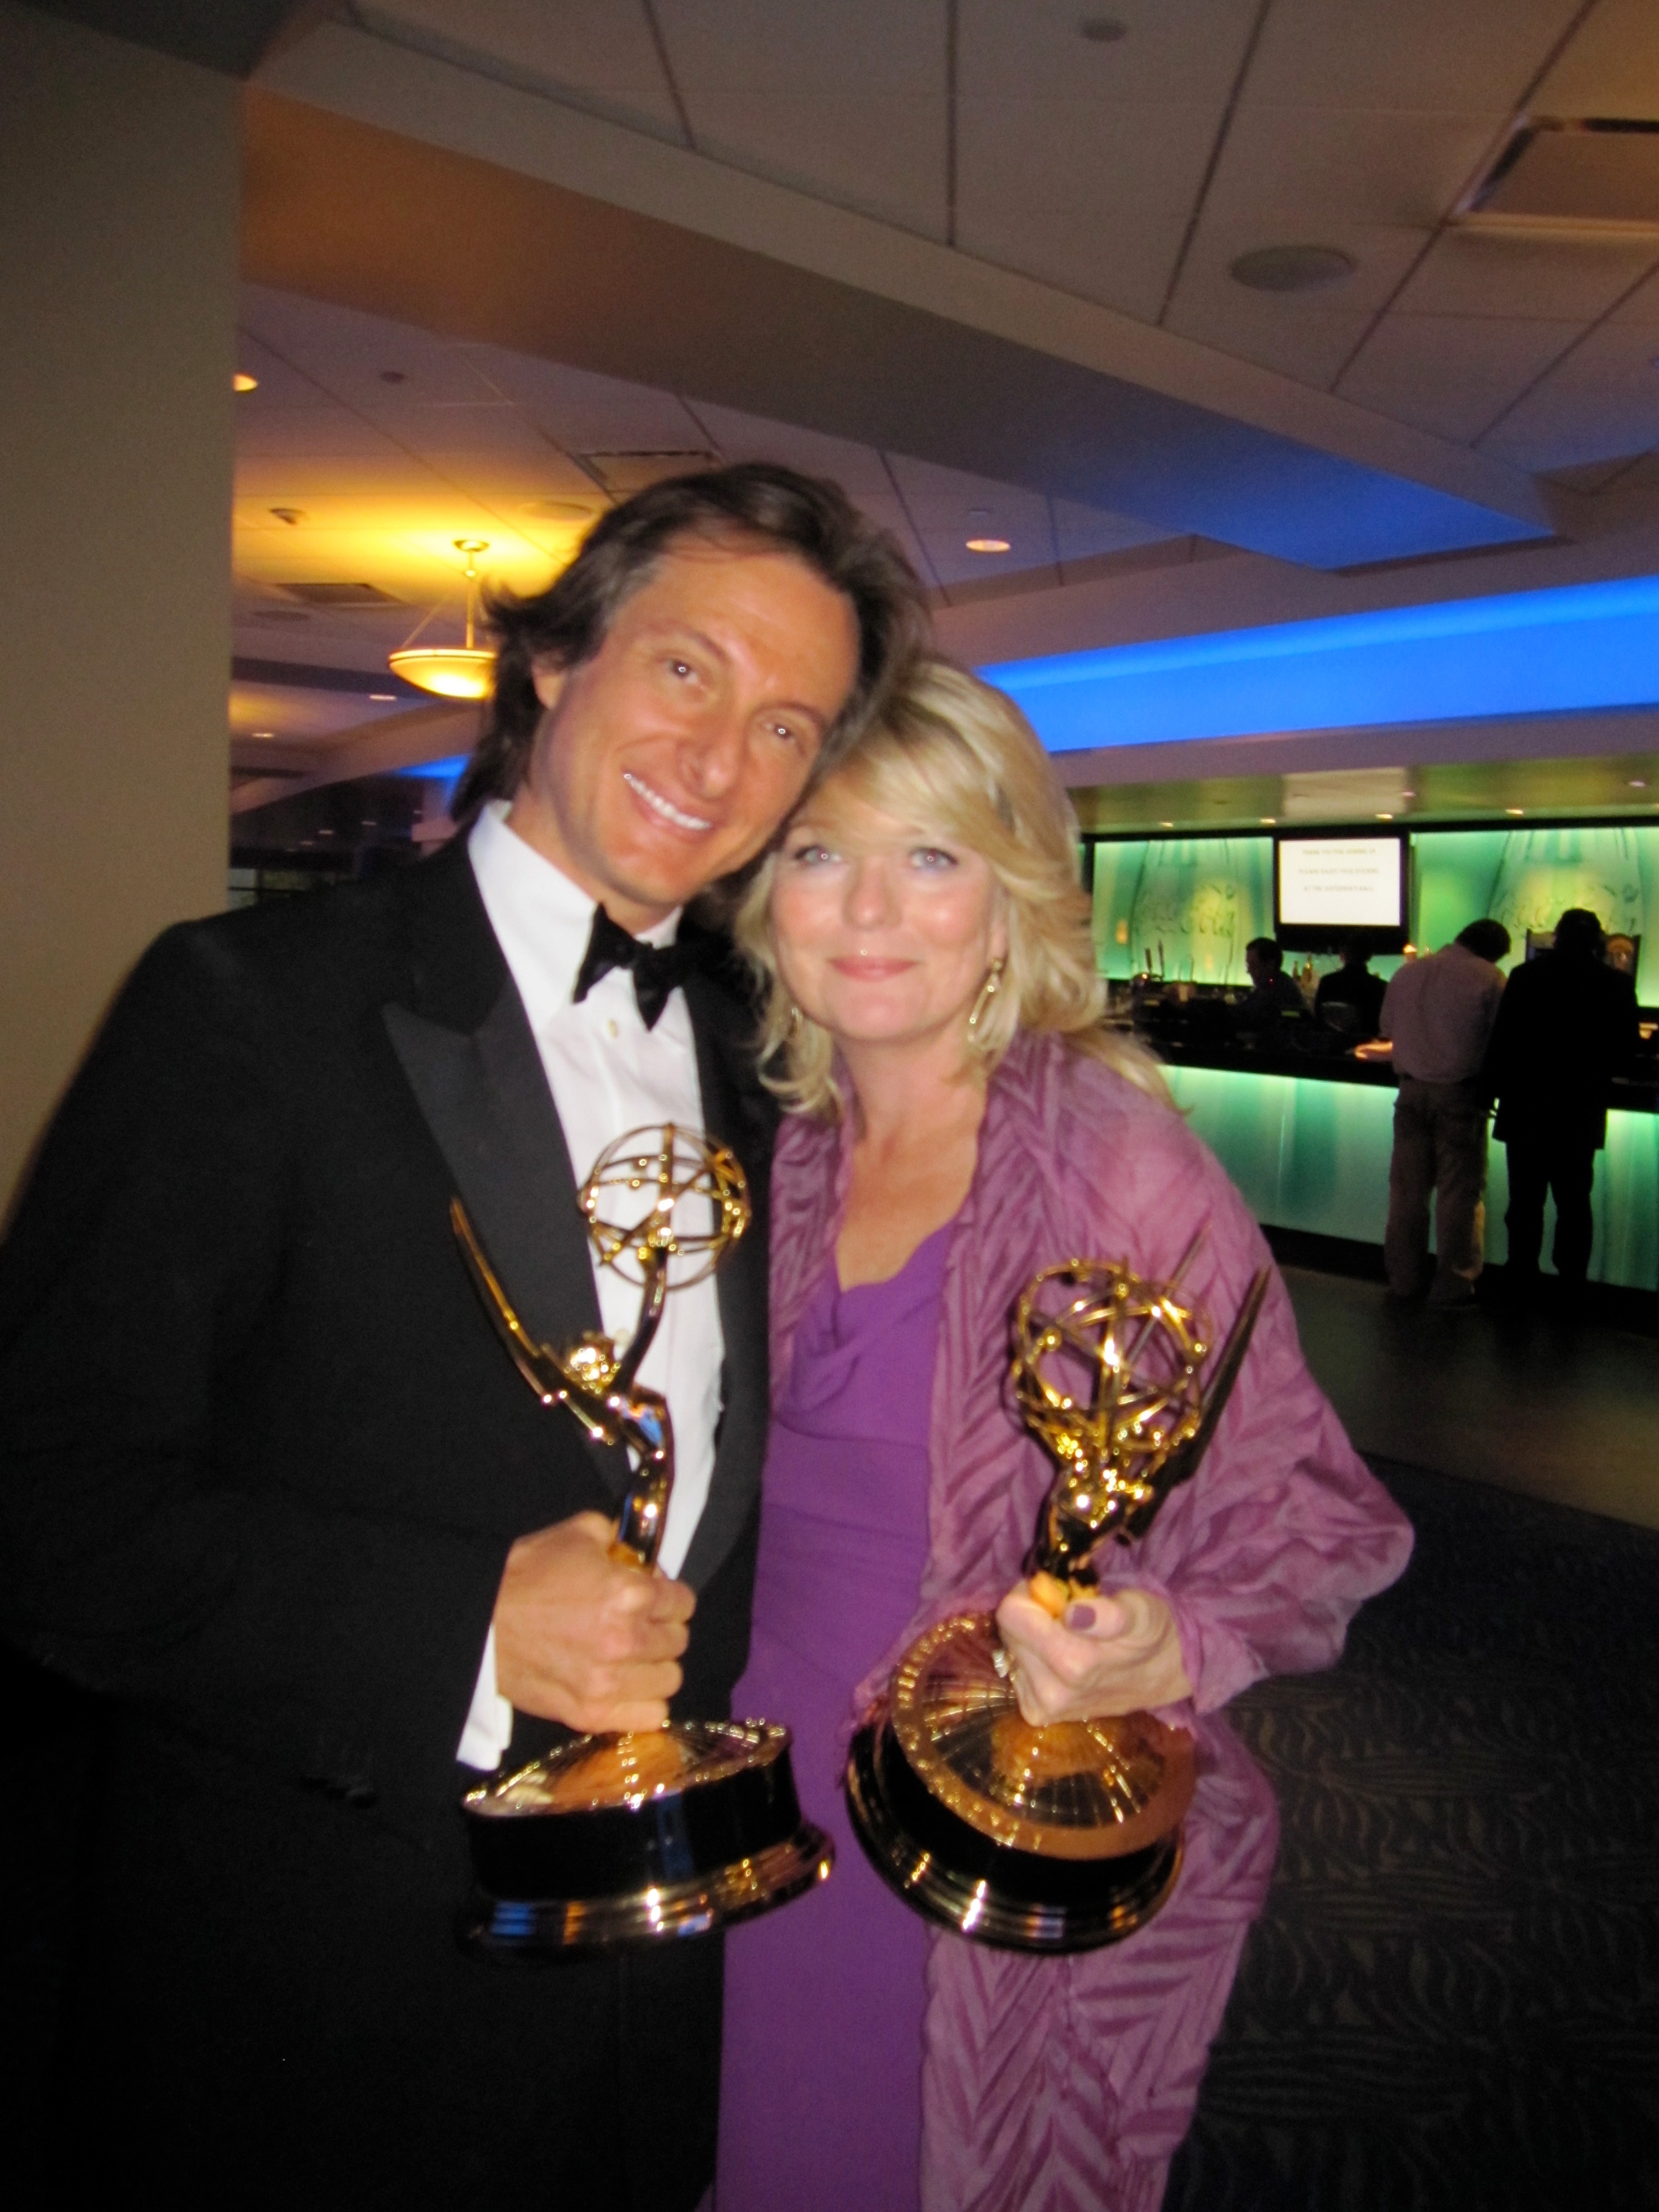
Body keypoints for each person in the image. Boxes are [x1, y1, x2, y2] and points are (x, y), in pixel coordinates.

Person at [0, 464, 928, 2206]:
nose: (724, 758)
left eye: (789, 722)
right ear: (560, 659)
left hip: (645, 2007)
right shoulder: (243, 1010)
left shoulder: (769, 1068)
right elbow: (44, 1500)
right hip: (311, 1992)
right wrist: (467, 1626)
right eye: (686, 671)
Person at [716, 661, 1412, 2212]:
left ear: (1014, 893)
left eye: (934, 857)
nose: (870, 909)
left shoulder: (1116, 1162)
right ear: (765, 892)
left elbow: (1315, 1519)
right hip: (756, 1790)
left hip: (956, 1836)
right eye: (821, 853)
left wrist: (1176, 1642)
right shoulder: (784, 1151)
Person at [1483, 907, 1640, 1301]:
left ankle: (1521, 1278)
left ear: (1556, 938)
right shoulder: (1615, 985)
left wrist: (1489, 1092)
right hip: (1579, 1110)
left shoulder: (1525, 977)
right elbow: (1625, 1053)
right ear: (1598, 943)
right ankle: (1571, 1286)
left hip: (1526, 1107)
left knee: (1525, 1202)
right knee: (1573, 1203)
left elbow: (1502, 1042)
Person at [1378, 919, 1511, 1306]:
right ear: (1494, 951)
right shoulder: (1490, 979)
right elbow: (1499, 1037)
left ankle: (1404, 1280)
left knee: (1407, 1193)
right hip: (1459, 1096)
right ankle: (1453, 1284)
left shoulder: (1409, 974)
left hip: (1410, 1092)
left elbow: (1387, 1027)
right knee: (1459, 1195)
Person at [1315, 937, 1387, 1038]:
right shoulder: (1380, 987)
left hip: (1332, 1046)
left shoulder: (1328, 982)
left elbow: (1318, 1019)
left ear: (1342, 955)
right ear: (1370, 956)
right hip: (1367, 1046)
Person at [1235, 935, 1307, 1034]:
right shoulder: (1271, 984)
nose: (1249, 971)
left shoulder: (1279, 991)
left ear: (1270, 965)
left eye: (1254, 965)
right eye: (1249, 965)